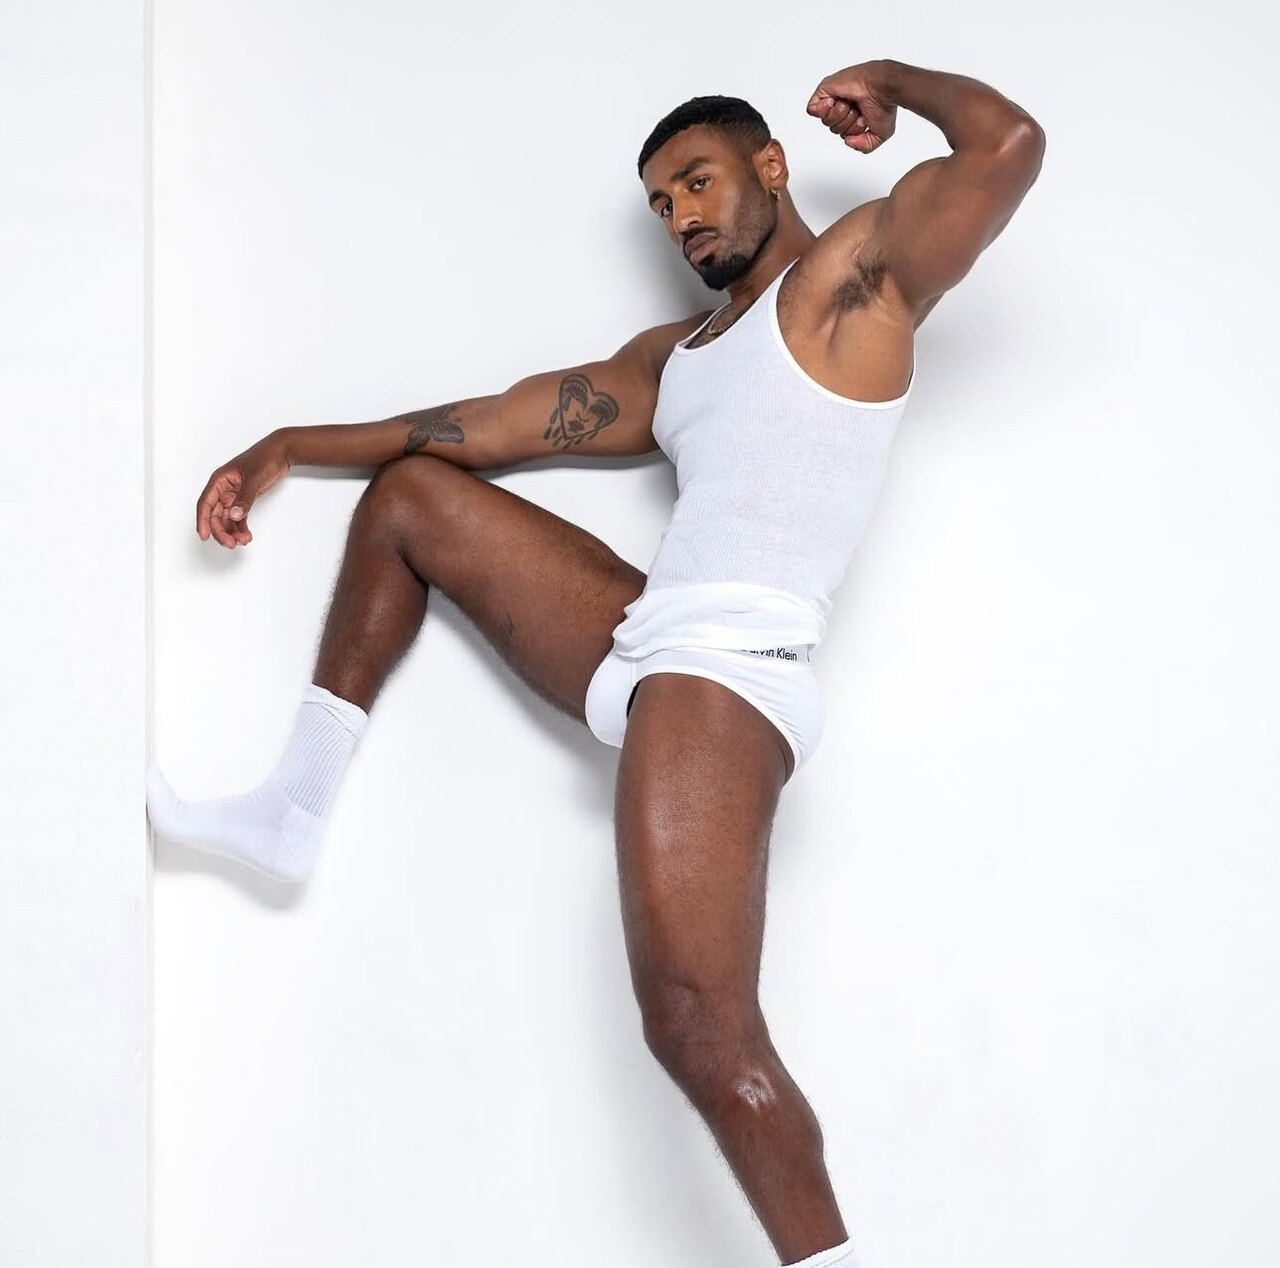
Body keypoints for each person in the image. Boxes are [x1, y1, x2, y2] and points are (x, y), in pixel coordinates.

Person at [147, 58, 1044, 1268]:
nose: (681, 215)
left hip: (728, 668)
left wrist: (889, 81)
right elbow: (486, 422)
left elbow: (1005, 147)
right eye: (662, 203)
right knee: (413, 496)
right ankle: (290, 807)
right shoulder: (676, 359)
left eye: (698, 181)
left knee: (695, 1023)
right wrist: (288, 443)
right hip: (648, 636)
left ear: (769, 165)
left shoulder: (852, 283)